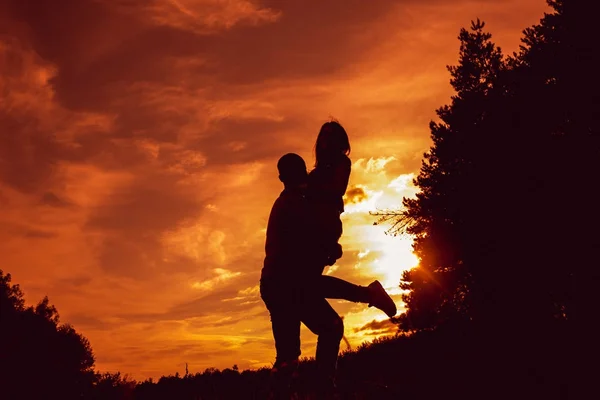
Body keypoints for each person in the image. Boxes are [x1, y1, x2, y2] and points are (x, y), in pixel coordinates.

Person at [260, 153, 396, 398]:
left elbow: (312, 242)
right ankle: (318, 388)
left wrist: (327, 248)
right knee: (299, 348)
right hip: (284, 284)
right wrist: (329, 248)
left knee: (309, 342)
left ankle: (319, 388)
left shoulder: (295, 201)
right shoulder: (294, 203)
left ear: (281, 177)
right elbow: (310, 241)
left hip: (282, 284)